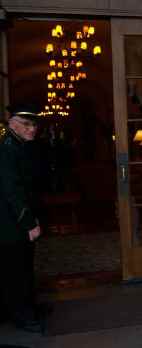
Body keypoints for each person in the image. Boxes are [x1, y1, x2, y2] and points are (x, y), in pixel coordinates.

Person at [0, 103, 43, 333]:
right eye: (27, 124)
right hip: (11, 223)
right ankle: (22, 316)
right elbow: (12, 190)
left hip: (19, 219)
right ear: (12, 124)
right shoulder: (7, 148)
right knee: (15, 270)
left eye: (34, 124)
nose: (32, 129)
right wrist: (28, 222)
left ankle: (30, 307)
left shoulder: (20, 146)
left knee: (25, 266)